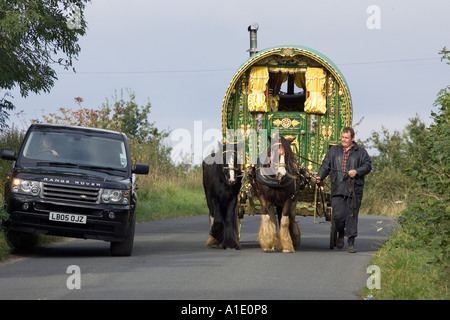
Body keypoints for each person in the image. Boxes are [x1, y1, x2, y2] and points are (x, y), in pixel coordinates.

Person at [315, 127, 372, 253]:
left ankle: (351, 242)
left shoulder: (361, 152)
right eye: (342, 137)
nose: (344, 140)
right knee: (338, 216)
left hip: (354, 188)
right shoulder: (333, 150)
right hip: (338, 187)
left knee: (352, 216)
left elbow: (368, 166)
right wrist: (320, 176)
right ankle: (341, 232)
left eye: (346, 138)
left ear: (352, 138)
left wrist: (357, 171)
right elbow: (326, 165)